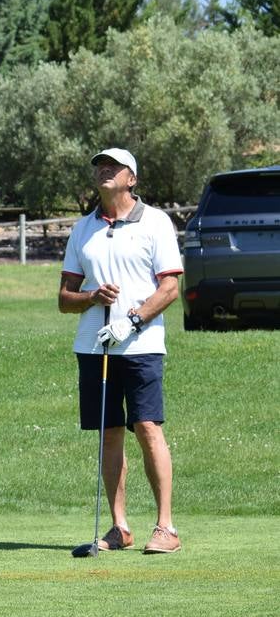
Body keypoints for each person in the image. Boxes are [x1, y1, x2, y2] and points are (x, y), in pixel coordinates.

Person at [58, 148, 184, 554]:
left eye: (113, 166)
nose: (104, 171)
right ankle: (119, 528)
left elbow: (169, 288)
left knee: (147, 428)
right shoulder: (83, 229)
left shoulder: (156, 222)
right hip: (95, 348)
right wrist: (92, 296)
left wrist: (131, 321)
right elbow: (64, 297)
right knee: (109, 435)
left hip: (142, 346)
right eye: (99, 166)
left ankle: (166, 528)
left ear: (132, 179)